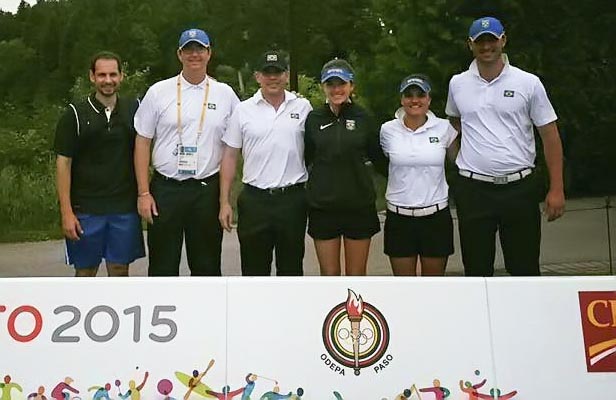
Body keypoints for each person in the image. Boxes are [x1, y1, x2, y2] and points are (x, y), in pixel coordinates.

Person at [446, 17, 565, 276]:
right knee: (477, 271)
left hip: (519, 189)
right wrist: (458, 161)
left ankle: (526, 318)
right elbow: (454, 125)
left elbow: (549, 134)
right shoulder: (457, 84)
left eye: (492, 40)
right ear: (470, 44)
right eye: (480, 41)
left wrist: (556, 188)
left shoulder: (528, 83)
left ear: (503, 40)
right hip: (474, 191)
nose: (486, 46)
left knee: (524, 269)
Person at [134, 28, 240, 276]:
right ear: (179, 54)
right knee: (162, 266)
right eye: (189, 49)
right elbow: (142, 142)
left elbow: (232, 147)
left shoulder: (225, 94)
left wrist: (225, 200)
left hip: (206, 191)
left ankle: (205, 315)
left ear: (209, 53)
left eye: (200, 49)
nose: (195, 54)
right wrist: (143, 193)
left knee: (206, 267)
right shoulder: (159, 91)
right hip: (166, 190)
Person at [219, 50, 312, 276]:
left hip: (292, 200)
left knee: (291, 270)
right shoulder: (243, 110)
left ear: (286, 75)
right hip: (255, 201)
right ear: (257, 76)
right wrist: (224, 202)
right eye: (267, 73)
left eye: (278, 72)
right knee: (254, 271)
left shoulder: (303, 107)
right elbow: (230, 156)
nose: (273, 78)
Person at [54, 51, 145, 277]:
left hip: (124, 207)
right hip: (86, 209)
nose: (108, 80)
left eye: (113, 74)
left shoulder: (135, 109)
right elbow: (63, 164)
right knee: (85, 272)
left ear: (121, 76)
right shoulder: (74, 114)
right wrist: (66, 212)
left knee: (119, 271)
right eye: (102, 75)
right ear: (92, 77)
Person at [304, 59, 385, 276]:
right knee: (329, 276)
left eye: (341, 84)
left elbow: (379, 159)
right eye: (331, 84)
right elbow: (307, 157)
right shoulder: (313, 119)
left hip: (358, 206)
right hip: (324, 208)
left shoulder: (364, 118)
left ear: (351, 86)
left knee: (356, 276)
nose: (336, 89)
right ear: (323, 87)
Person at [380, 75, 458, 276]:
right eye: (409, 95)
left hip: (435, 217)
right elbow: (382, 163)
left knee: (433, 287)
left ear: (429, 99)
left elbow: (457, 162)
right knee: (405, 289)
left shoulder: (444, 128)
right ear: (401, 99)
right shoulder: (387, 130)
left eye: (420, 95)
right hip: (399, 217)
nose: (415, 100)